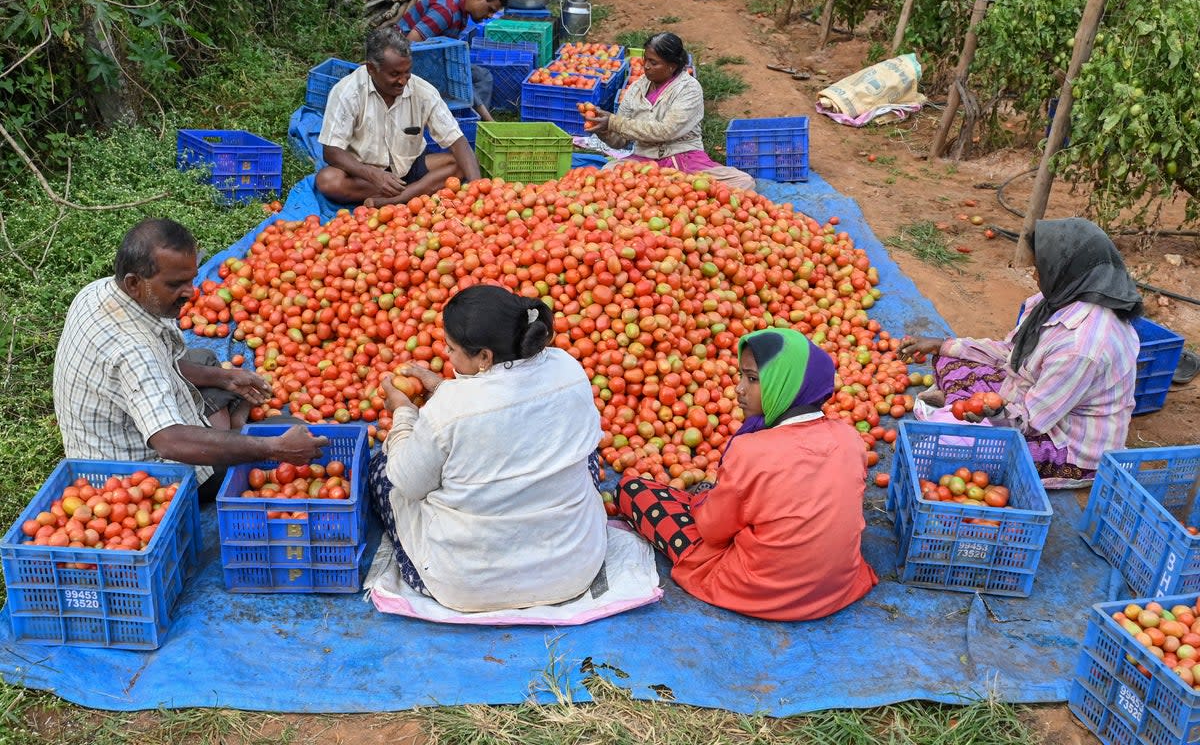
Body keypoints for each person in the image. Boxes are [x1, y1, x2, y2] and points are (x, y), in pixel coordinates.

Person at [367, 284, 607, 612]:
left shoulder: (451, 408)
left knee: (385, 465)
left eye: (451, 349)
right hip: (572, 571)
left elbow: (409, 483)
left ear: (484, 356)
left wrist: (404, 413)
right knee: (584, 453)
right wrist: (442, 391)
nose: (447, 356)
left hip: (466, 585)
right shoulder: (567, 369)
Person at [52, 218, 329, 501]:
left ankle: (229, 422)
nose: (191, 292)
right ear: (134, 283)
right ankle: (232, 428)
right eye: (176, 284)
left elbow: (165, 360)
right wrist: (274, 447)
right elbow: (170, 442)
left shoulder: (99, 291)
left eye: (191, 279)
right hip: (136, 480)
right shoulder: (134, 352)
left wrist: (226, 377)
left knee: (206, 359)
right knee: (282, 428)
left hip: (122, 423)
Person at [615, 328, 878, 621]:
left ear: (785, 384)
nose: (739, 389)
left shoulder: (751, 451)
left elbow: (712, 532)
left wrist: (707, 500)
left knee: (634, 490)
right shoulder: (850, 437)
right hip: (836, 586)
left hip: (763, 592)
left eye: (752, 379)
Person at [898, 217, 1143, 488]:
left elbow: (1032, 420)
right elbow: (1009, 353)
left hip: (1066, 439)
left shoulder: (1082, 347)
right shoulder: (1058, 299)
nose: (1035, 275)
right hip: (1033, 392)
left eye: (1040, 268)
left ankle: (960, 417)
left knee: (956, 451)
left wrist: (993, 412)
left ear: (1066, 271)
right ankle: (957, 408)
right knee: (950, 357)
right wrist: (940, 345)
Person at [316, 27, 482, 209]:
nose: (403, 81)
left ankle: (396, 199)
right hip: (364, 175)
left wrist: (478, 189)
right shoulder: (348, 92)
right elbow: (331, 151)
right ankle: (415, 193)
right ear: (371, 68)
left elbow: (457, 141)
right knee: (328, 181)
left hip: (410, 167)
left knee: (463, 163)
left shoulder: (423, 92)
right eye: (394, 74)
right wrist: (373, 175)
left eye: (407, 72)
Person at [590, 32, 756, 191]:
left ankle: (673, 194)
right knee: (605, 175)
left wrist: (613, 122)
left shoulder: (689, 88)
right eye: (645, 59)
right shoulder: (636, 88)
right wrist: (603, 130)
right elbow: (621, 141)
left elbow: (666, 131)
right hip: (645, 160)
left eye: (654, 63)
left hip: (685, 159)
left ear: (672, 66)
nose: (646, 66)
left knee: (742, 182)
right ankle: (670, 194)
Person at [398, 0, 508, 122]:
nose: (489, 16)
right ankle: (480, 122)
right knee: (460, 76)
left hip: (431, 56)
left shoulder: (461, 6)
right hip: (409, 60)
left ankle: (472, 120)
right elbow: (409, 44)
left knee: (482, 76)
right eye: (490, 10)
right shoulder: (446, 10)